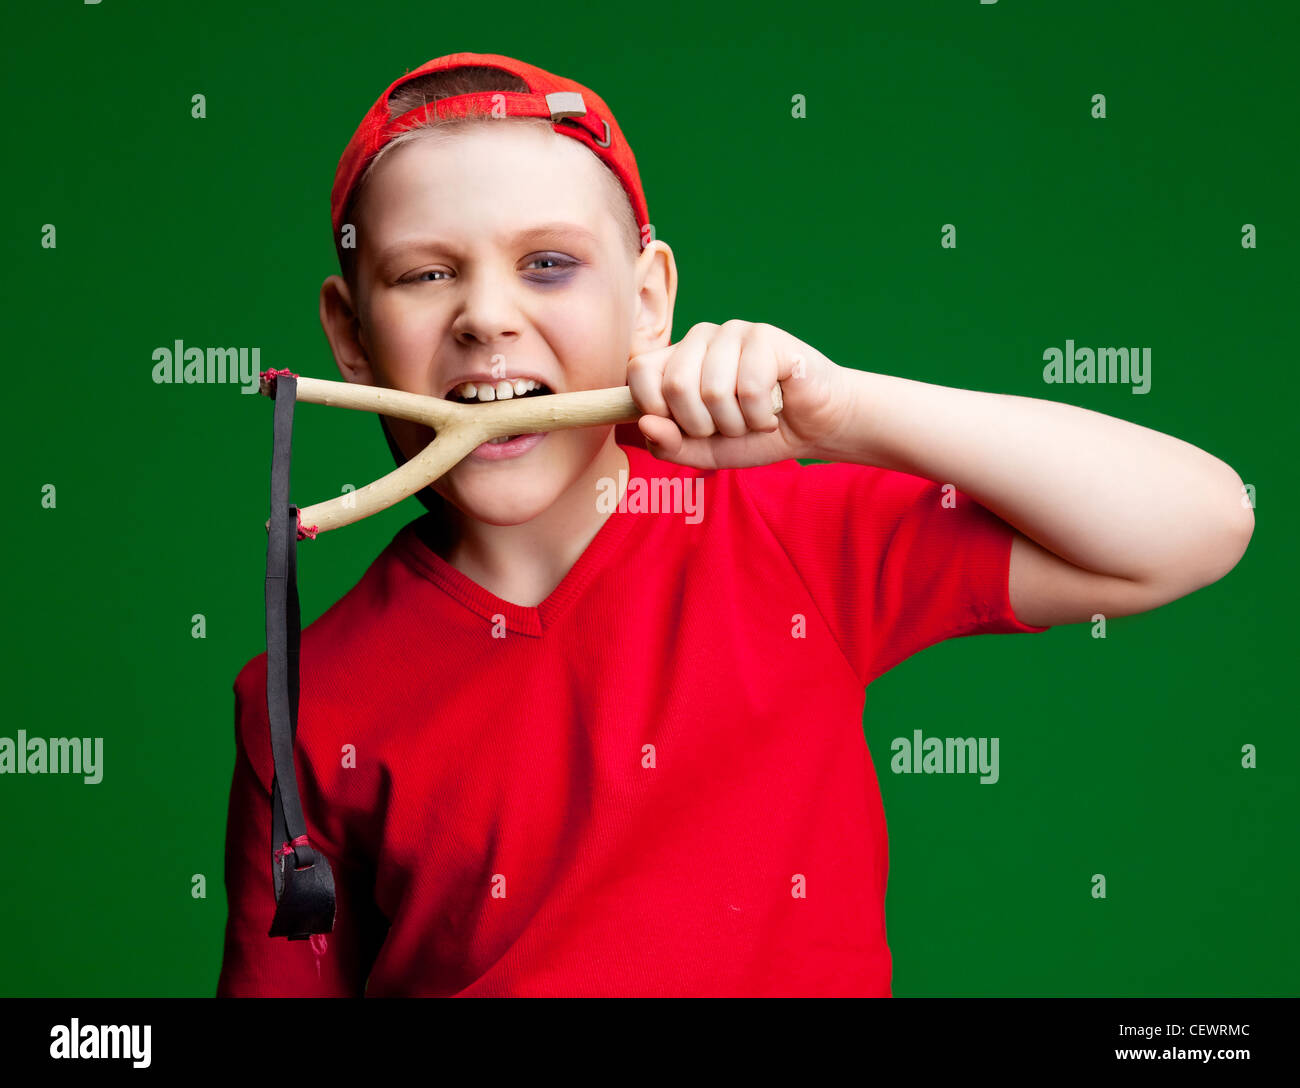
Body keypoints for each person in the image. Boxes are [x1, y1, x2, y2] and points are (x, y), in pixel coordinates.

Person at [216, 52, 1254, 997]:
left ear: (650, 300)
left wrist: (848, 412)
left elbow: (1200, 522)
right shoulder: (300, 696)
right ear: (350, 337)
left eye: (549, 264)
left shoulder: (790, 537)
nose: (485, 317)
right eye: (426, 273)